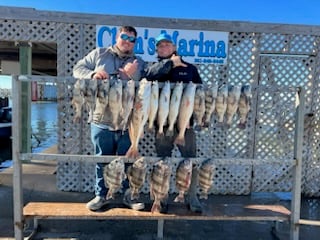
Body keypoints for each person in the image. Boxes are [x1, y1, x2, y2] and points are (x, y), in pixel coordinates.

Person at [73, 26, 146, 211]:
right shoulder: (99, 54)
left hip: (126, 123)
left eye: (132, 39)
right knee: (102, 160)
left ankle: (129, 195)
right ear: (116, 36)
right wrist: (93, 74)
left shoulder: (139, 63)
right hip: (100, 119)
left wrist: (127, 76)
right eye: (124, 37)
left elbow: (144, 87)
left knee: (128, 161)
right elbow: (77, 68)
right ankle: (101, 195)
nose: (128, 41)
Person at [145, 33, 203, 213]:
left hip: (185, 125)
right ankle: (161, 198)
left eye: (167, 45)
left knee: (190, 161)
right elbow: (150, 76)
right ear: (156, 50)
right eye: (160, 46)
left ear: (175, 47)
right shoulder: (153, 67)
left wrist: (195, 119)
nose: (164, 48)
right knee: (162, 162)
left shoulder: (190, 69)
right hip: (162, 124)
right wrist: (171, 64)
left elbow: (199, 95)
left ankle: (192, 196)